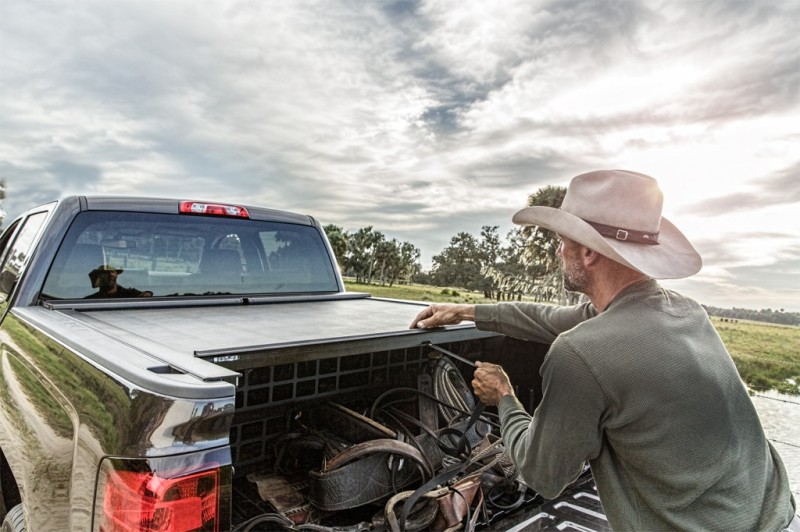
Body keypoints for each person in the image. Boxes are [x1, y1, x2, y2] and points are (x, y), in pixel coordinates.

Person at [411, 170, 797, 531]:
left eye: (563, 242)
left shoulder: (580, 353)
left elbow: (542, 475)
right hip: (771, 511)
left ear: (589, 254)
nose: (559, 252)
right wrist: (465, 311)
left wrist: (505, 399)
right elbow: (551, 317)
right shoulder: (686, 310)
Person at [85, 264, 153, 299]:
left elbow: (145, 295)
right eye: (105, 273)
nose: (110, 274)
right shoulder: (91, 300)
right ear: (99, 278)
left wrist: (147, 293)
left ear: (116, 275)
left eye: (112, 271)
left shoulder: (129, 293)